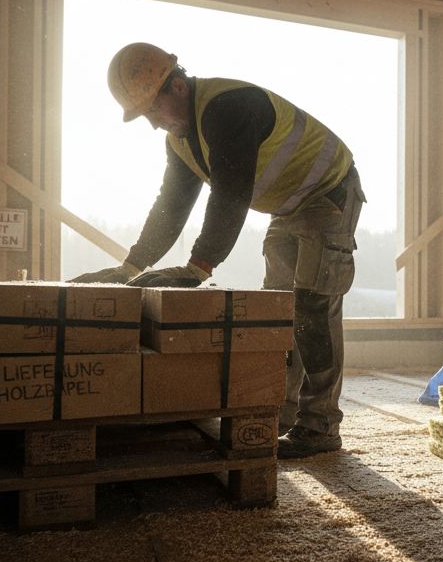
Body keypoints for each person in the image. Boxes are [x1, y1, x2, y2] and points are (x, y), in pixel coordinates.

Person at [71, 42, 364, 460]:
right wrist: (130, 266)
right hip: (288, 206)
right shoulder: (180, 140)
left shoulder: (229, 107)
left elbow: (230, 193)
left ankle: (320, 426)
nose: (153, 124)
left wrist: (197, 267)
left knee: (314, 306)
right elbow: (171, 207)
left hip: (329, 193)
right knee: (282, 309)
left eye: (153, 110)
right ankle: (281, 414)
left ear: (177, 87)